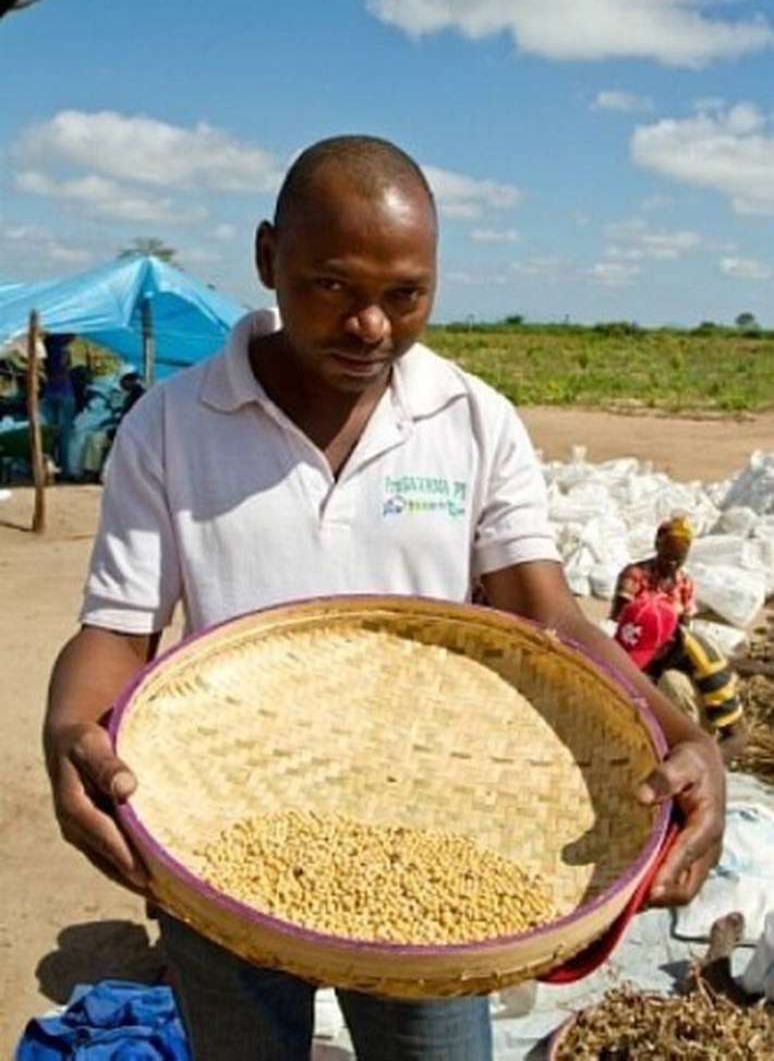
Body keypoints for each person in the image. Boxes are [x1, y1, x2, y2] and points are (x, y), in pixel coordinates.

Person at [43, 136, 725, 1061]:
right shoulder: (172, 424)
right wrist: (69, 725)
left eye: (405, 296)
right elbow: (120, 629)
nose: (371, 326)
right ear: (266, 259)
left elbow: (551, 619)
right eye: (332, 286)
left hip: (431, 830)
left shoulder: (473, 420)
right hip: (221, 827)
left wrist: (684, 739)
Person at [614, 597, 746, 762]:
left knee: (672, 682)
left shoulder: (707, 663)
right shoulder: (633, 640)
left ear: (667, 646)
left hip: (694, 729)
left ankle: (676, 749)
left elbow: (737, 735)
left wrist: (703, 764)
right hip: (652, 711)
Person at [611, 514, 697, 625]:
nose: (672, 562)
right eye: (668, 554)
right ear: (658, 546)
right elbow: (618, 616)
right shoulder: (635, 574)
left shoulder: (686, 584)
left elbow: (686, 622)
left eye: (678, 557)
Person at [41, 333, 77, 480]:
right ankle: (64, 473)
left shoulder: (44, 347)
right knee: (64, 436)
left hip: (49, 392)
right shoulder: (62, 349)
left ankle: (48, 470)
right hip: (64, 393)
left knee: (49, 435)